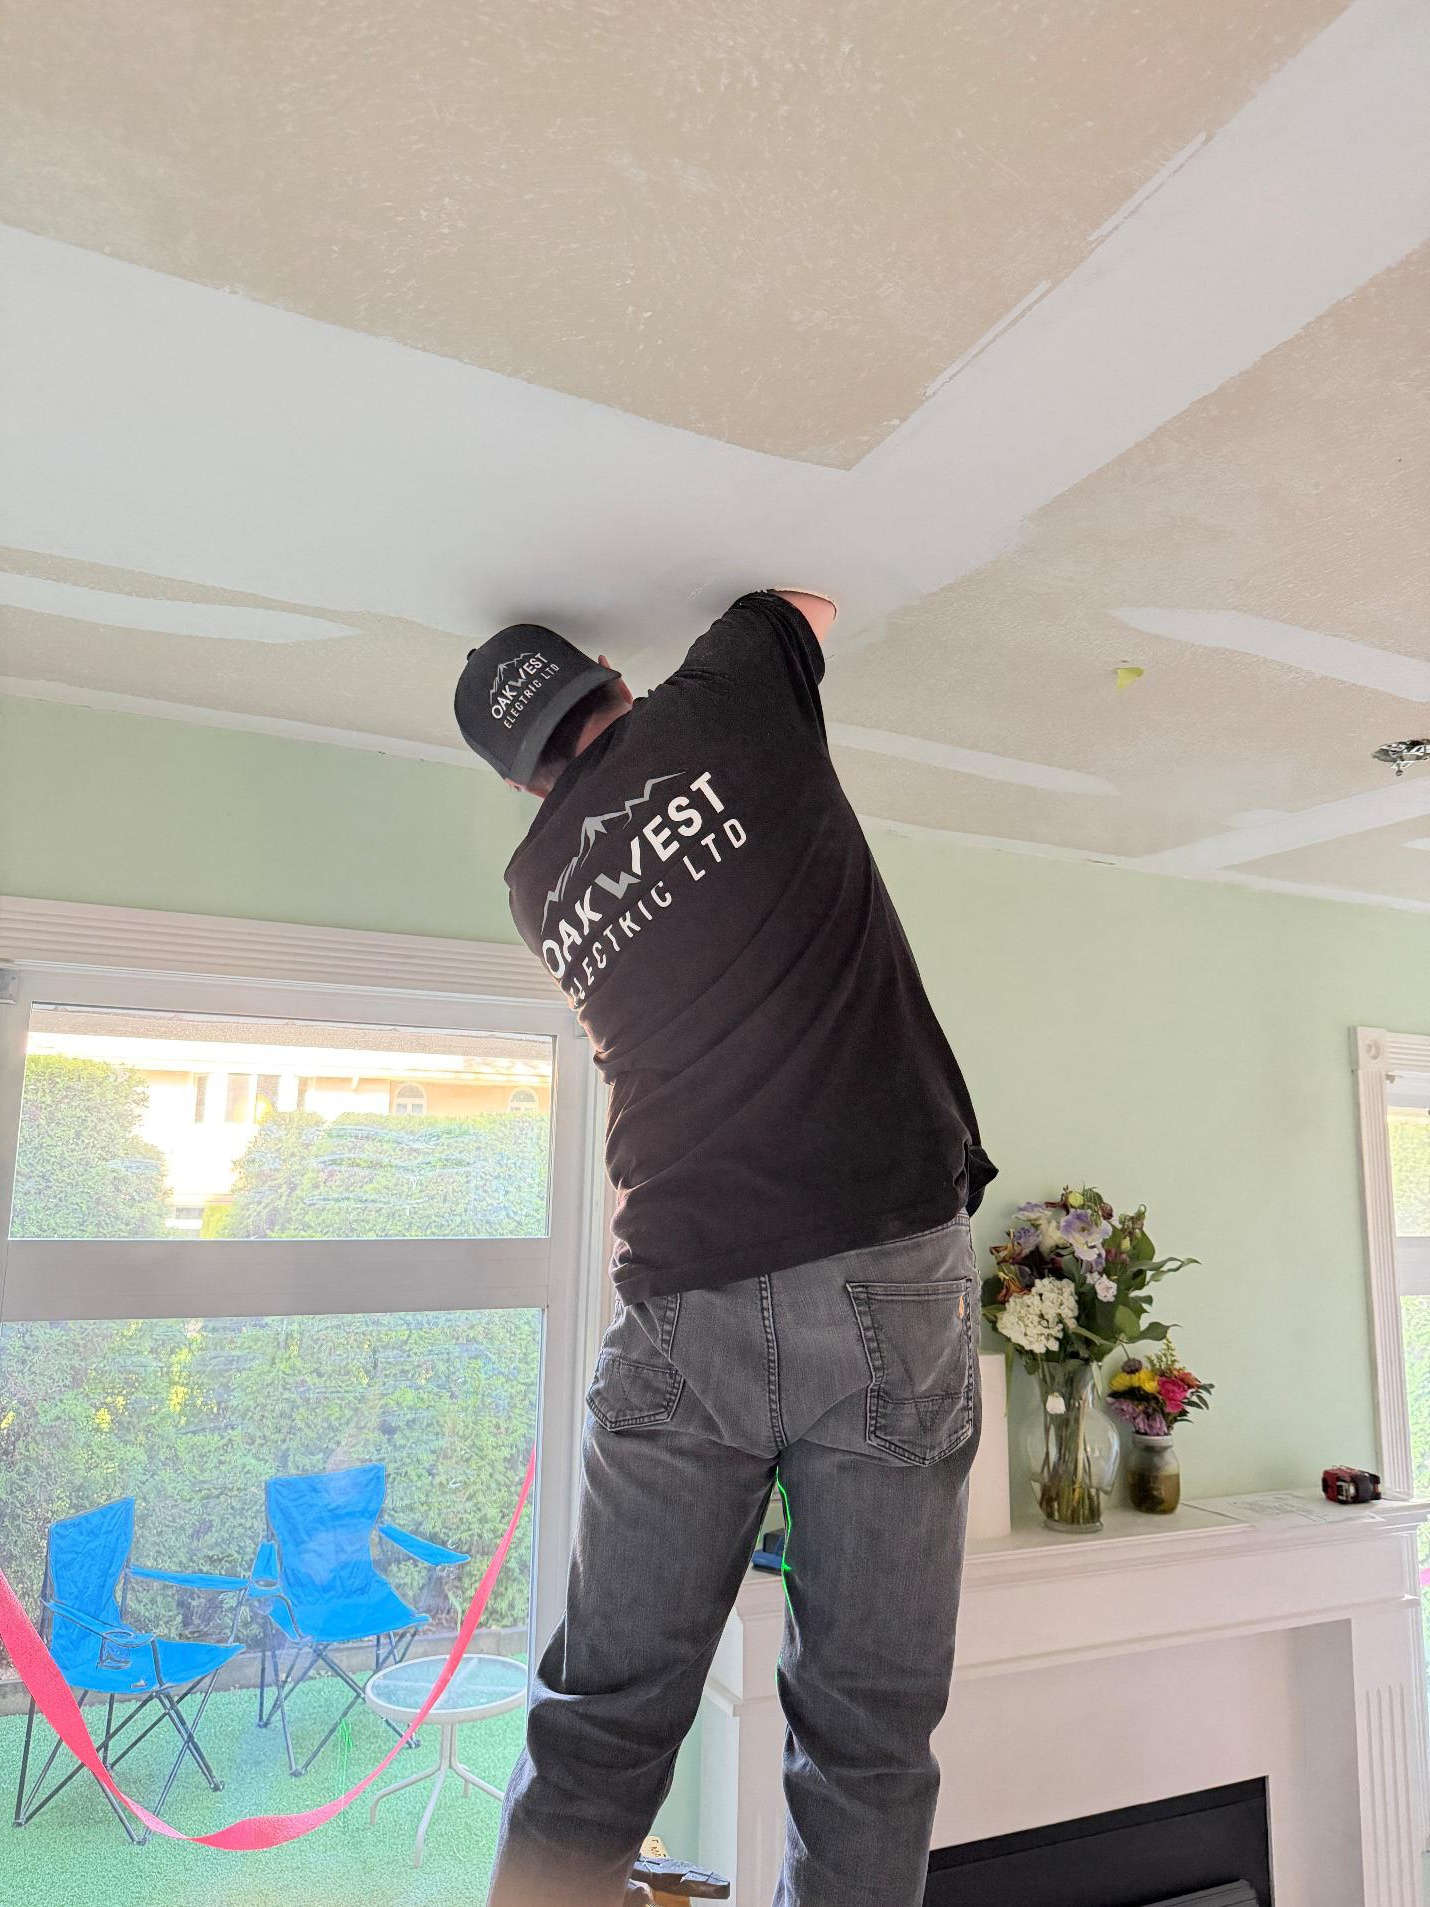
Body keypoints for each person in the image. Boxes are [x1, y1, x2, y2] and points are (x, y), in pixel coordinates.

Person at [453, 590, 997, 1907]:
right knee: (862, 1742)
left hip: (678, 1299)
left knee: (598, 1730)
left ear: (525, 787)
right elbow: (800, 602)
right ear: (611, 683)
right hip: (878, 1261)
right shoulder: (726, 702)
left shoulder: (537, 890)